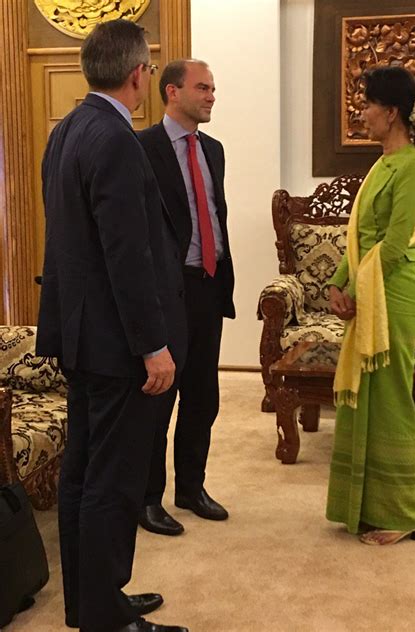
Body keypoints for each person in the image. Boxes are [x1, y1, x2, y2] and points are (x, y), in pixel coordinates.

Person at [36, 20, 189, 632]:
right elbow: (129, 255)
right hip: (118, 345)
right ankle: (105, 615)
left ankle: (92, 600)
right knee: (112, 481)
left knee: (80, 473)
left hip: (79, 338)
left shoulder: (67, 130)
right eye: (150, 70)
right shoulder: (118, 139)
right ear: (138, 74)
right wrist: (153, 346)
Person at [325, 65, 415, 545]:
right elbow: (360, 238)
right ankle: (362, 508)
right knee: (364, 400)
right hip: (372, 290)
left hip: (393, 295)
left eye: (369, 104)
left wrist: (356, 291)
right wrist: (336, 282)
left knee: (390, 400)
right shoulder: (381, 163)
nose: (363, 112)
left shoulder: (413, 165)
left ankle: (401, 513)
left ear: (391, 113)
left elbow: (394, 245)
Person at [137, 59, 235, 536]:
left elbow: (214, 212)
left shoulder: (212, 149)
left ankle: (191, 488)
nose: (212, 95)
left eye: (214, 88)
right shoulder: (141, 148)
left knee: (203, 396)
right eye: (203, 87)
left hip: (208, 286)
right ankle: (147, 498)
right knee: (160, 398)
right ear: (172, 91)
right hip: (166, 292)